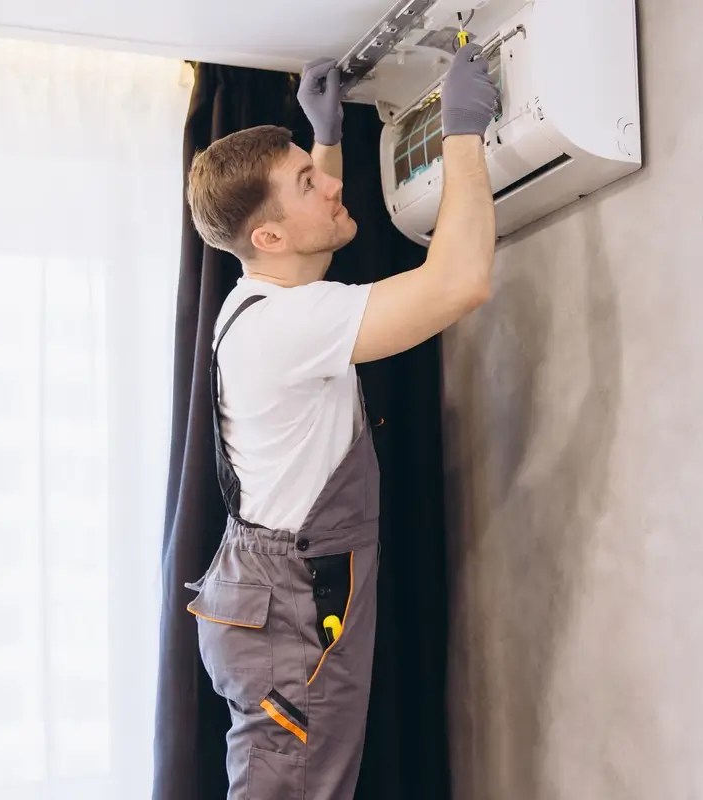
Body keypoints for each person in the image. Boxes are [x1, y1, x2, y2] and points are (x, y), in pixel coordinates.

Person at [181, 43, 499, 800]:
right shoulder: (283, 326)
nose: (329, 185)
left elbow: (309, 256)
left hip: (262, 594)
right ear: (266, 237)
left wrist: (323, 138)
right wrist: (461, 131)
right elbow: (459, 282)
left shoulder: (257, 299)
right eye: (307, 181)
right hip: (291, 608)